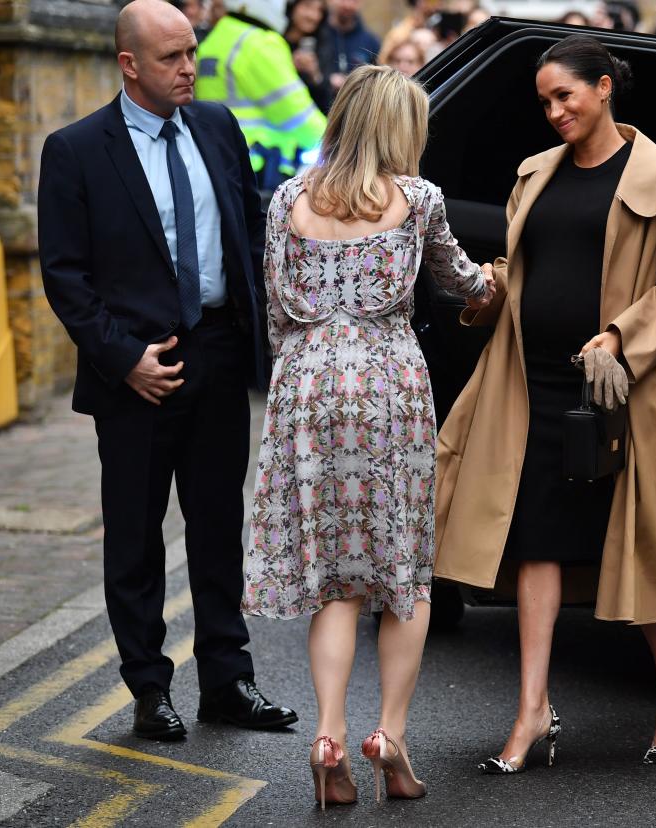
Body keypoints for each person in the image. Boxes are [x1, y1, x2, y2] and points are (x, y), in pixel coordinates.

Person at [433, 34, 656, 772]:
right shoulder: (537, 175)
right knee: (535, 542)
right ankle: (531, 711)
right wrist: (485, 290)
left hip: (618, 391)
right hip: (531, 384)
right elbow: (529, 266)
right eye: (545, 101)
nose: (554, 112)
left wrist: (620, 337)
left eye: (566, 96)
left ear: (604, 89)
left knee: (634, 545)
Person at [37, 0, 296, 742]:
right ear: (129, 65)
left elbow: (248, 230)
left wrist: (263, 331)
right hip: (138, 372)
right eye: (172, 58)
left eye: (192, 52)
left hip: (217, 353)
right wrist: (125, 360)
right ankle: (150, 688)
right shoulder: (77, 150)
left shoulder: (217, 125)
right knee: (136, 538)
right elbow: (66, 275)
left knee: (219, 525)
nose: (190, 68)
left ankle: (228, 680)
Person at [244, 65, 492, 808]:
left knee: (336, 583)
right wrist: (500, 285)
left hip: (308, 391)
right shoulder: (417, 201)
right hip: (388, 388)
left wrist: (310, 367)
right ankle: (388, 734)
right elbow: (464, 283)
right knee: (402, 577)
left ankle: (327, 735)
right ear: (397, 128)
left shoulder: (287, 199)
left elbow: (277, 315)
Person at [196, 0, 327, 190]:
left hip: (218, 164)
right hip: (258, 170)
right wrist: (339, 146)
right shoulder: (260, 44)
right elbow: (300, 117)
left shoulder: (216, 39)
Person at [317, 0, 381, 99]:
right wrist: (327, 80)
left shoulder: (371, 42)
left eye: (354, 1)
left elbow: (376, 82)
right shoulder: (316, 33)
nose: (347, 5)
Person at [285, 0, 333, 113]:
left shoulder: (323, 45)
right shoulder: (273, 39)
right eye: (307, 6)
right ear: (293, 6)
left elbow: (327, 104)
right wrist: (288, 65)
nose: (314, 16)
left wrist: (315, 75)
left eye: (319, 10)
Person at [378, 0, 436, 65]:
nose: (438, 5)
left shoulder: (433, 28)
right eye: (433, 1)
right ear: (420, 3)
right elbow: (383, 61)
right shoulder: (400, 33)